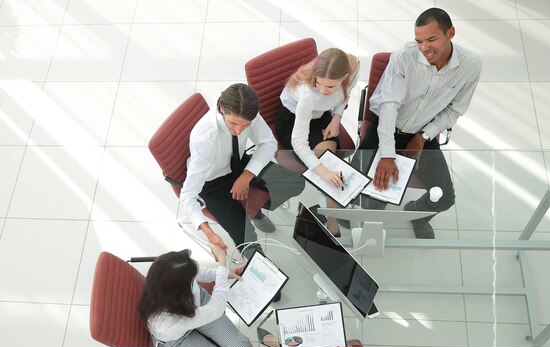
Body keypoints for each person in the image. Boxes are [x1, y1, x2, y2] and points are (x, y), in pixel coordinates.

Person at [360, 7, 482, 238]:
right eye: (419, 41)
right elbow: (389, 106)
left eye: (431, 39)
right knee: (367, 190)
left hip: (424, 131)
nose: (424, 48)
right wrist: (387, 154)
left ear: (451, 33)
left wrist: (423, 136)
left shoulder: (471, 66)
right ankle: (363, 217)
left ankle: (416, 212)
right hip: (387, 125)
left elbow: (455, 109)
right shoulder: (404, 56)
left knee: (445, 198)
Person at [179, 83, 305, 259]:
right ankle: (265, 276)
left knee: (295, 184)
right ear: (221, 109)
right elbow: (187, 195)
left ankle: (254, 211)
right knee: (247, 238)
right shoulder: (205, 140)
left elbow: (268, 143)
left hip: (239, 166)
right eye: (234, 124)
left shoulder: (247, 112)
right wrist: (209, 233)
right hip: (212, 184)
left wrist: (246, 176)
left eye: (245, 126)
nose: (238, 131)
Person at [138, 247, 266, 347]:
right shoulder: (166, 321)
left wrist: (224, 274)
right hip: (177, 342)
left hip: (196, 306)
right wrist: (222, 265)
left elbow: (197, 272)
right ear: (181, 291)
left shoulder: (167, 277)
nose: (194, 279)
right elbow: (216, 308)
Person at [275, 48, 360, 236]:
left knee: (331, 164)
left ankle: (332, 214)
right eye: (319, 83)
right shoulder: (307, 94)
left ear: (345, 76)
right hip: (292, 118)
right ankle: (333, 223)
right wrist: (324, 172)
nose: (324, 90)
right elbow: (299, 143)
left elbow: (346, 93)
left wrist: (336, 118)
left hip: (320, 115)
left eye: (330, 87)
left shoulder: (353, 67)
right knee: (327, 168)